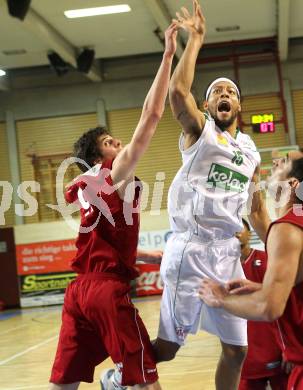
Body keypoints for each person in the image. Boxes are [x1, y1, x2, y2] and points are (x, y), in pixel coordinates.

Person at [48, 23, 178, 390]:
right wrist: (168, 54)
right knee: (144, 377)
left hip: (78, 294)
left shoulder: (84, 187)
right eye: (108, 142)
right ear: (97, 157)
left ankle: (113, 382)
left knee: (64, 382)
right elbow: (151, 118)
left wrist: (157, 255)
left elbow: (110, 243)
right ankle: (119, 382)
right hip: (105, 291)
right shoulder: (111, 174)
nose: (118, 142)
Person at [150, 2, 271, 390]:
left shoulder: (251, 150)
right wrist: (196, 39)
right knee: (167, 348)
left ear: (238, 106)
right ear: (207, 105)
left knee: (237, 350)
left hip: (227, 256)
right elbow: (177, 92)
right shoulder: (200, 133)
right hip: (192, 252)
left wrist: (276, 246)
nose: (223, 94)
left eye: (230, 92)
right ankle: (122, 375)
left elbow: (256, 207)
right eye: (216, 91)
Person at [199, 156, 303, 390]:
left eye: (283, 163)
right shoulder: (295, 224)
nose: (275, 162)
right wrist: (251, 176)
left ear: (294, 184)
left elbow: (269, 307)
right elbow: (256, 214)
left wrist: (221, 299)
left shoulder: (288, 228)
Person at [236, 219, 289, 390]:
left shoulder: (267, 261)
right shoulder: (222, 269)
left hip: (276, 352)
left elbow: (287, 307)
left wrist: (289, 349)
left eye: (239, 229)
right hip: (245, 358)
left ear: (249, 234)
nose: (235, 234)